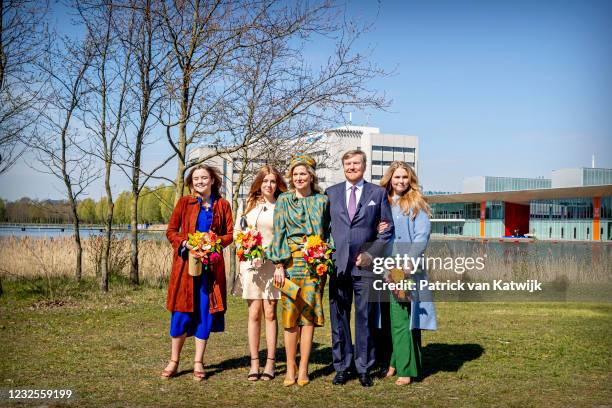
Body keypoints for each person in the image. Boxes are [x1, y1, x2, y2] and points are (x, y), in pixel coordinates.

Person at [325, 150, 394, 387]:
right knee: (339, 317)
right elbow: (323, 230)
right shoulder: (331, 193)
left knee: (364, 318)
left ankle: (364, 367)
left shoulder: (378, 193)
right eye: (347, 163)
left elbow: (386, 231)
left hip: (366, 268)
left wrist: (370, 253)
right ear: (343, 167)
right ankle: (342, 366)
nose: (351, 167)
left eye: (356, 163)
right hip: (338, 267)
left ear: (364, 166)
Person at [161, 164, 234, 381]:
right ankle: (174, 361)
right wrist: (187, 243)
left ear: (213, 180)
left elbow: (229, 234)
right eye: (195, 179)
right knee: (181, 314)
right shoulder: (184, 203)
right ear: (191, 183)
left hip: (210, 272)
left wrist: (213, 243)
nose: (200, 181)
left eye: (204, 177)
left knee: (204, 313)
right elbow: (171, 231)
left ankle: (198, 362)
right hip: (186, 269)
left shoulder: (223, 205)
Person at [268, 155, 330, 387]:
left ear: (311, 176)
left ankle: (304, 368)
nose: (299, 178)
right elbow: (279, 232)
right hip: (290, 265)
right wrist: (279, 265)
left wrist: (324, 256)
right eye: (295, 174)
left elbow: (329, 232)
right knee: (289, 317)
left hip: (314, 266)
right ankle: (290, 367)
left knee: (308, 317)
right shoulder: (283, 200)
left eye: (303, 173)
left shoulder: (322, 201)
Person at [379, 161, 437, 385]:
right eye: (397, 177)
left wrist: (410, 262)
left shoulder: (415, 203)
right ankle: (396, 359)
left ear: (410, 180)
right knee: (397, 316)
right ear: (390, 179)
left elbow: (422, 236)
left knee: (402, 316)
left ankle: (406, 368)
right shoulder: (383, 201)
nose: (401, 181)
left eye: (405, 177)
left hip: (406, 267)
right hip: (384, 265)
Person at [235, 165, 287, 381]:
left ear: (277, 185)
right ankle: (254, 362)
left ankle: (271, 363)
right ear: (259, 183)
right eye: (265, 181)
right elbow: (239, 232)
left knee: (270, 312)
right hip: (250, 264)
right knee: (254, 312)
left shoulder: (282, 206)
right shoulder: (248, 204)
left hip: (273, 265)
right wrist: (246, 248)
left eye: (273, 181)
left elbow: (284, 237)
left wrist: (278, 263)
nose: (269, 185)